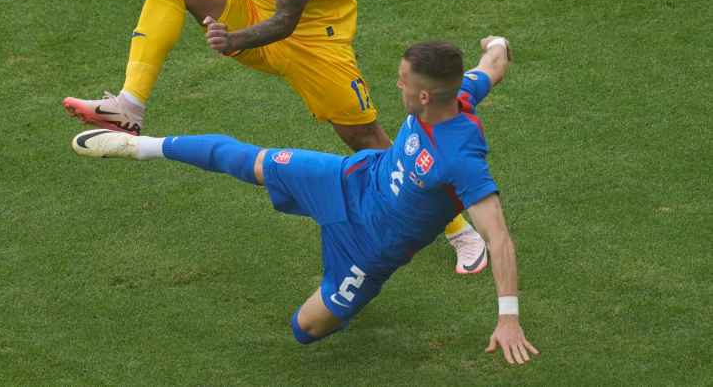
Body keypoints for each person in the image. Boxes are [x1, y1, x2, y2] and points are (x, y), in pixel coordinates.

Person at [63, 0, 486, 273]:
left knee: (365, 139)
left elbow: (287, 21)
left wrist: (232, 40)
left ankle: (459, 228)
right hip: (254, 10)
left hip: (313, 39)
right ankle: (129, 106)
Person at [71, 36, 539, 364]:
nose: (394, 85)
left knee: (306, 329)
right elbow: (494, 65)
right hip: (349, 180)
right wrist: (496, 42)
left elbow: (497, 237)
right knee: (250, 162)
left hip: (368, 251)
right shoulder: (458, 93)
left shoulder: (462, 157)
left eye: (401, 80)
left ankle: (335, 305)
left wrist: (509, 319)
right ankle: (140, 146)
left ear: (422, 94)